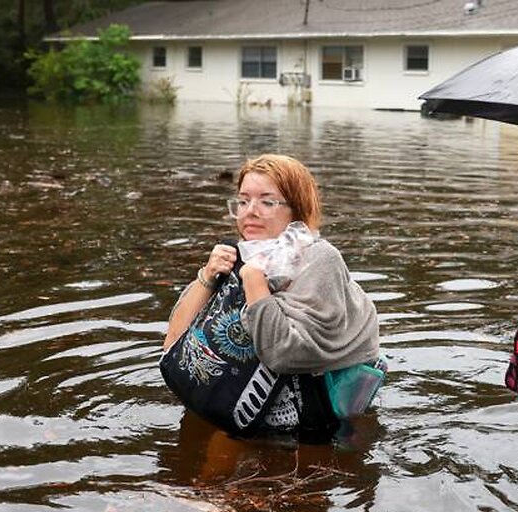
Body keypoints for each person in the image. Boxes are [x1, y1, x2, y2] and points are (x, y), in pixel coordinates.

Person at [162, 153, 380, 437]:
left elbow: (286, 354)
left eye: (267, 201)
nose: (250, 211)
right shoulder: (240, 254)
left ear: (296, 209)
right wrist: (206, 276)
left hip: (307, 433)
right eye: (243, 201)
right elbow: (173, 347)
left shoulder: (318, 259)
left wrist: (254, 282)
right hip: (238, 413)